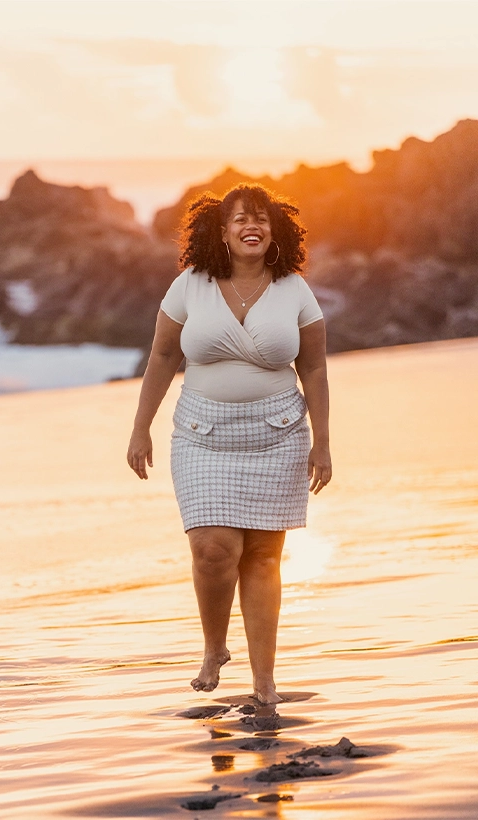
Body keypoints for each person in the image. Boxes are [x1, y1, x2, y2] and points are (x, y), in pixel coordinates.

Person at [127, 182, 332, 707]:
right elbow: (161, 358)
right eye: (240, 219)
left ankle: (265, 683)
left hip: (279, 434)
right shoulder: (189, 285)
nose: (251, 226)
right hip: (202, 435)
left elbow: (312, 366)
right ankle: (214, 648)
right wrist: (140, 427)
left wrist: (324, 443)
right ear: (222, 231)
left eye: (261, 218)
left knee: (264, 558)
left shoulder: (294, 290)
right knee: (213, 550)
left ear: (275, 230)